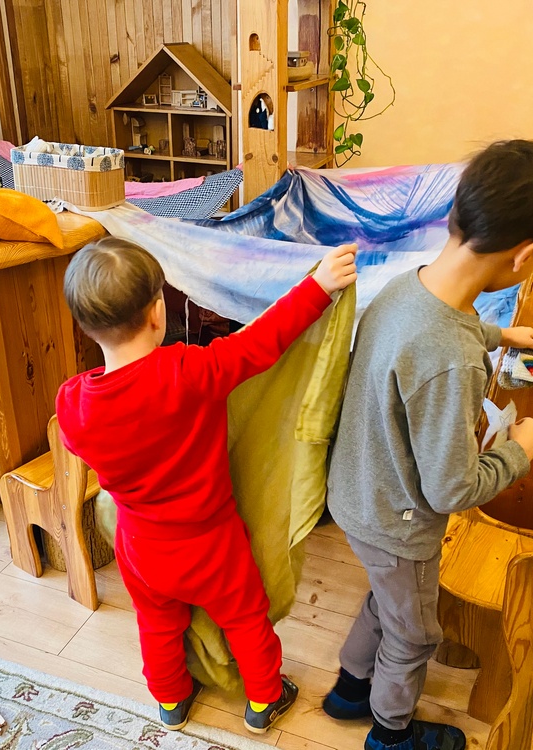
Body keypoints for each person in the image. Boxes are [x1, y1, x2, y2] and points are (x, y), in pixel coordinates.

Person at [324, 139, 533, 750]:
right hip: (400, 521)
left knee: (387, 599)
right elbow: (450, 489)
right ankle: (390, 734)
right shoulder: (451, 361)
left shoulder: (409, 287)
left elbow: (438, 332)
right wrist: (520, 449)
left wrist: (499, 335)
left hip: (359, 493)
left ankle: (349, 691)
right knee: (414, 633)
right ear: (528, 254)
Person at [55, 236, 357, 734]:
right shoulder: (189, 371)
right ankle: (264, 699)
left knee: (157, 624)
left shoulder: (73, 402)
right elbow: (260, 343)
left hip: (140, 545)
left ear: (85, 326)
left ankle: (170, 700)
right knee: (245, 618)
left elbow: (85, 443)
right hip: (211, 542)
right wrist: (319, 286)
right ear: (158, 314)